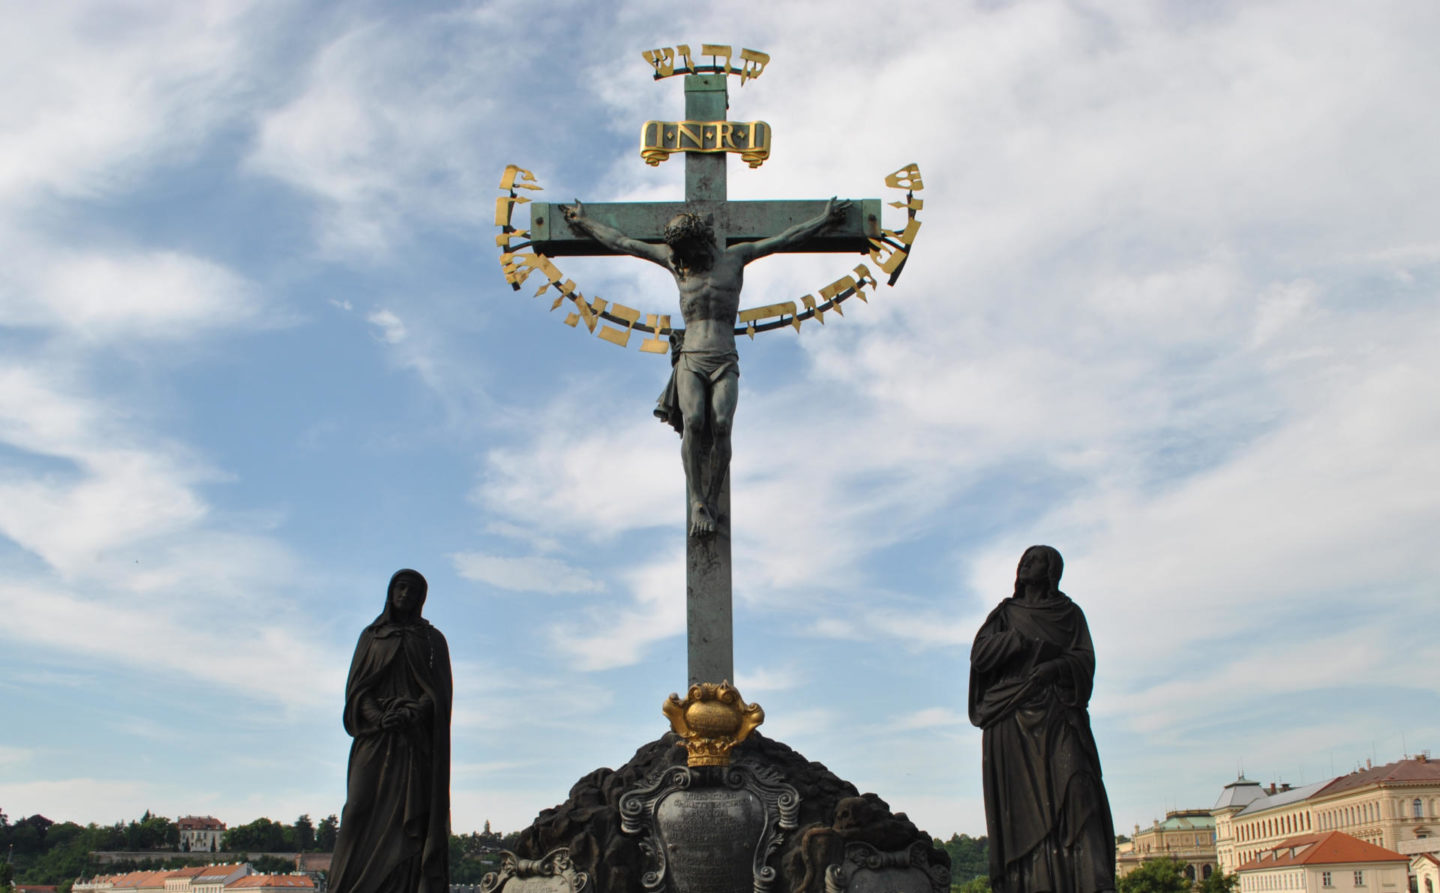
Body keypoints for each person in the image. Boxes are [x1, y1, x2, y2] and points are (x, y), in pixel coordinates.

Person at [560, 199, 849, 537]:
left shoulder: (736, 258)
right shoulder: (677, 262)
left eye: (690, 251)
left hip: (724, 355)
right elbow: (624, 243)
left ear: (703, 240)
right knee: (695, 421)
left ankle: (711, 500)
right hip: (692, 356)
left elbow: (784, 239)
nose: (685, 260)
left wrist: (824, 220)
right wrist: (585, 223)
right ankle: (698, 500)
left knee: (723, 424)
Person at [968, 546, 1116, 893]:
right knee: (1021, 813)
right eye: (1023, 559)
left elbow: (1084, 661)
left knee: (1079, 786)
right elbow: (980, 656)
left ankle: (1091, 882)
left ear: (1051, 570)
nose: (1024, 564)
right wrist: (1017, 643)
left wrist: (1054, 666)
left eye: (1033, 560)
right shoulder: (1005, 614)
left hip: (1058, 713)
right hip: (1011, 719)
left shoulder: (1070, 614)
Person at [329, 569, 452, 893]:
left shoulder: (431, 641)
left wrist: (413, 712)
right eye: (401, 587)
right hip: (375, 737)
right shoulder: (372, 637)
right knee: (356, 810)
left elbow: (438, 694)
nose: (406, 595)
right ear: (390, 591)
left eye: (413, 591)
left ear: (421, 599)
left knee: (409, 824)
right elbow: (357, 691)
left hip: (413, 745)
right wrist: (379, 716)